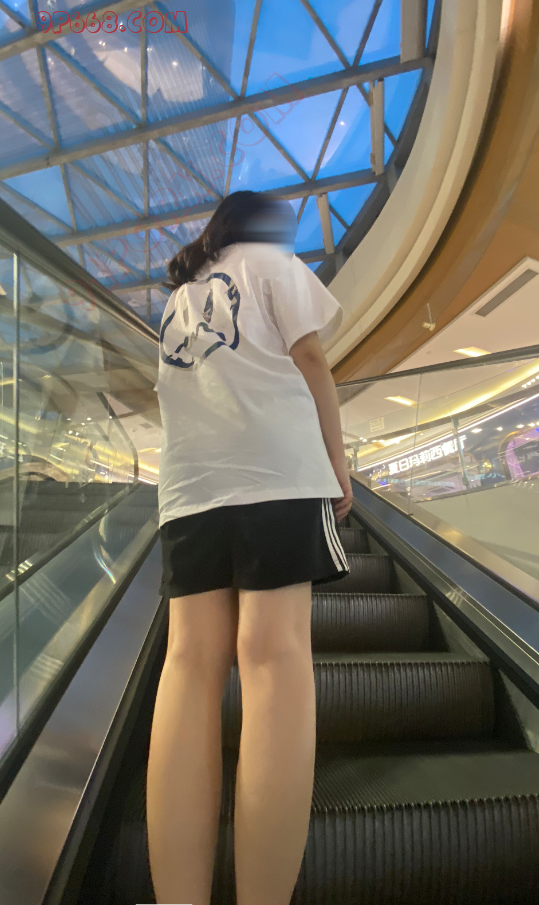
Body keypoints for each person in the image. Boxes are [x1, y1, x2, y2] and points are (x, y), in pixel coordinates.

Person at [147, 190, 352, 905]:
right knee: (273, 658)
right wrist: (338, 463)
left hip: (189, 490)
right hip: (275, 475)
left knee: (187, 665)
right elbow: (312, 358)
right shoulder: (274, 263)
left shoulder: (177, 302)